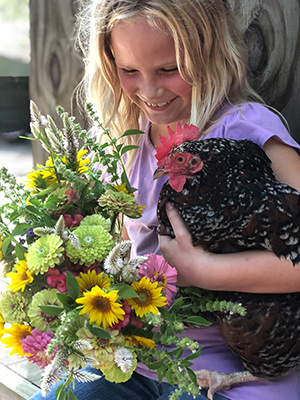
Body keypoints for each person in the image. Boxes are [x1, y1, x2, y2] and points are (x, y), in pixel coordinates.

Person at [30, 0, 300, 399]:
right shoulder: (127, 136)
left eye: (169, 69)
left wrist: (201, 271)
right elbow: (128, 246)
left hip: (244, 365)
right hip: (137, 358)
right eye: (129, 70)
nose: (150, 90)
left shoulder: (249, 132)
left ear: (210, 52)